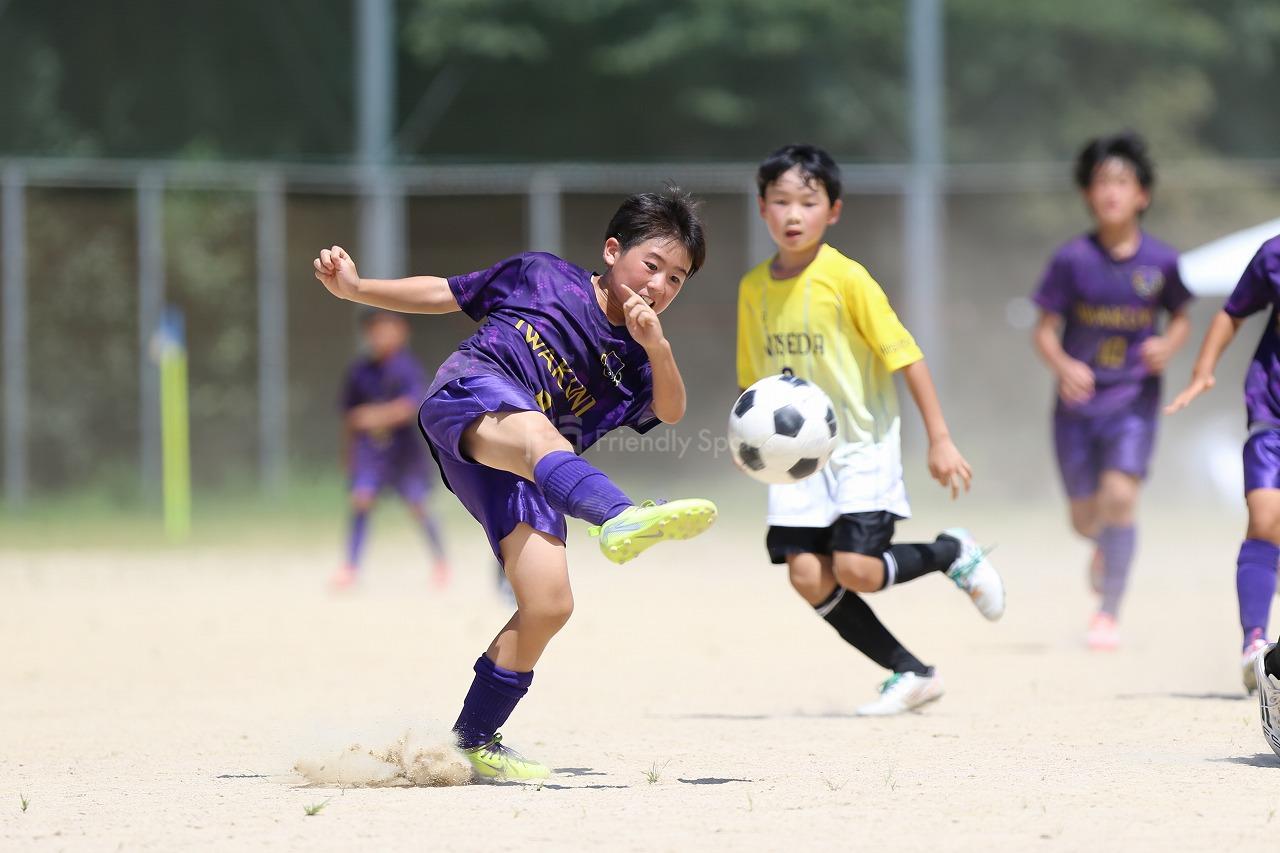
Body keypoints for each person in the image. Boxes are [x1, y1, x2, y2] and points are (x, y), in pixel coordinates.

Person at [312, 188, 716, 780]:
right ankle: (616, 515)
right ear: (612, 250)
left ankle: (472, 740)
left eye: (676, 279)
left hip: (528, 465)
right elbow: (446, 292)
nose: (659, 286)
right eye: (651, 265)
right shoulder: (542, 275)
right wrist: (357, 289)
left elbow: (672, 409)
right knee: (539, 432)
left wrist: (657, 345)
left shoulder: (638, 359)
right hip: (469, 395)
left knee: (549, 604)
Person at [736, 143, 1004, 717]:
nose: (792, 214)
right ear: (761, 207)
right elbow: (754, 385)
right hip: (796, 461)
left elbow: (906, 356)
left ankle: (950, 552)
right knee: (807, 574)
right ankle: (911, 672)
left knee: (857, 570)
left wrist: (939, 438)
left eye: (808, 202)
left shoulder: (847, 278)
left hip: (861, 447)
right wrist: (752, 447)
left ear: (833, 210)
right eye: (780, 201)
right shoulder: (753, 287)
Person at [1032, 132, 1192, 650]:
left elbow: (1182, 317)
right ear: (1087, 194)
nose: (1111, 192)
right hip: (1077, 407)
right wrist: (1063, 364)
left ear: (1142, 194)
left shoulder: (1161, 261)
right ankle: (1105, 546)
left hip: (1134, 402)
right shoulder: (1071, 260)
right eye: (1101, 182)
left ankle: (1108, 612)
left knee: (1120, 498)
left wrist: (1168, 344)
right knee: (1084, 519)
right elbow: (1043, 330)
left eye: (1122, 182)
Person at [1166, 233, 1280, 692]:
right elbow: (1232, 312)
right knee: (1265, 518)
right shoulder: (1274, 254)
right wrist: (1203, 370)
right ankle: (1255, 643)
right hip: (1273, 415)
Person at [333, 309, 449, 590]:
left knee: (417, 504)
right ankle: (351, 566)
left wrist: (373, 416)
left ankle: (440, 562)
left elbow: (410, 406)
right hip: (369, 452)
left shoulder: (406, 368)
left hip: (402, 453)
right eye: (375, 330)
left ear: (402, 332)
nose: (381, 335)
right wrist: (348, 454)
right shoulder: (360, 371)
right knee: (361, 500)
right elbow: (349, 417)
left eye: (388, 328)